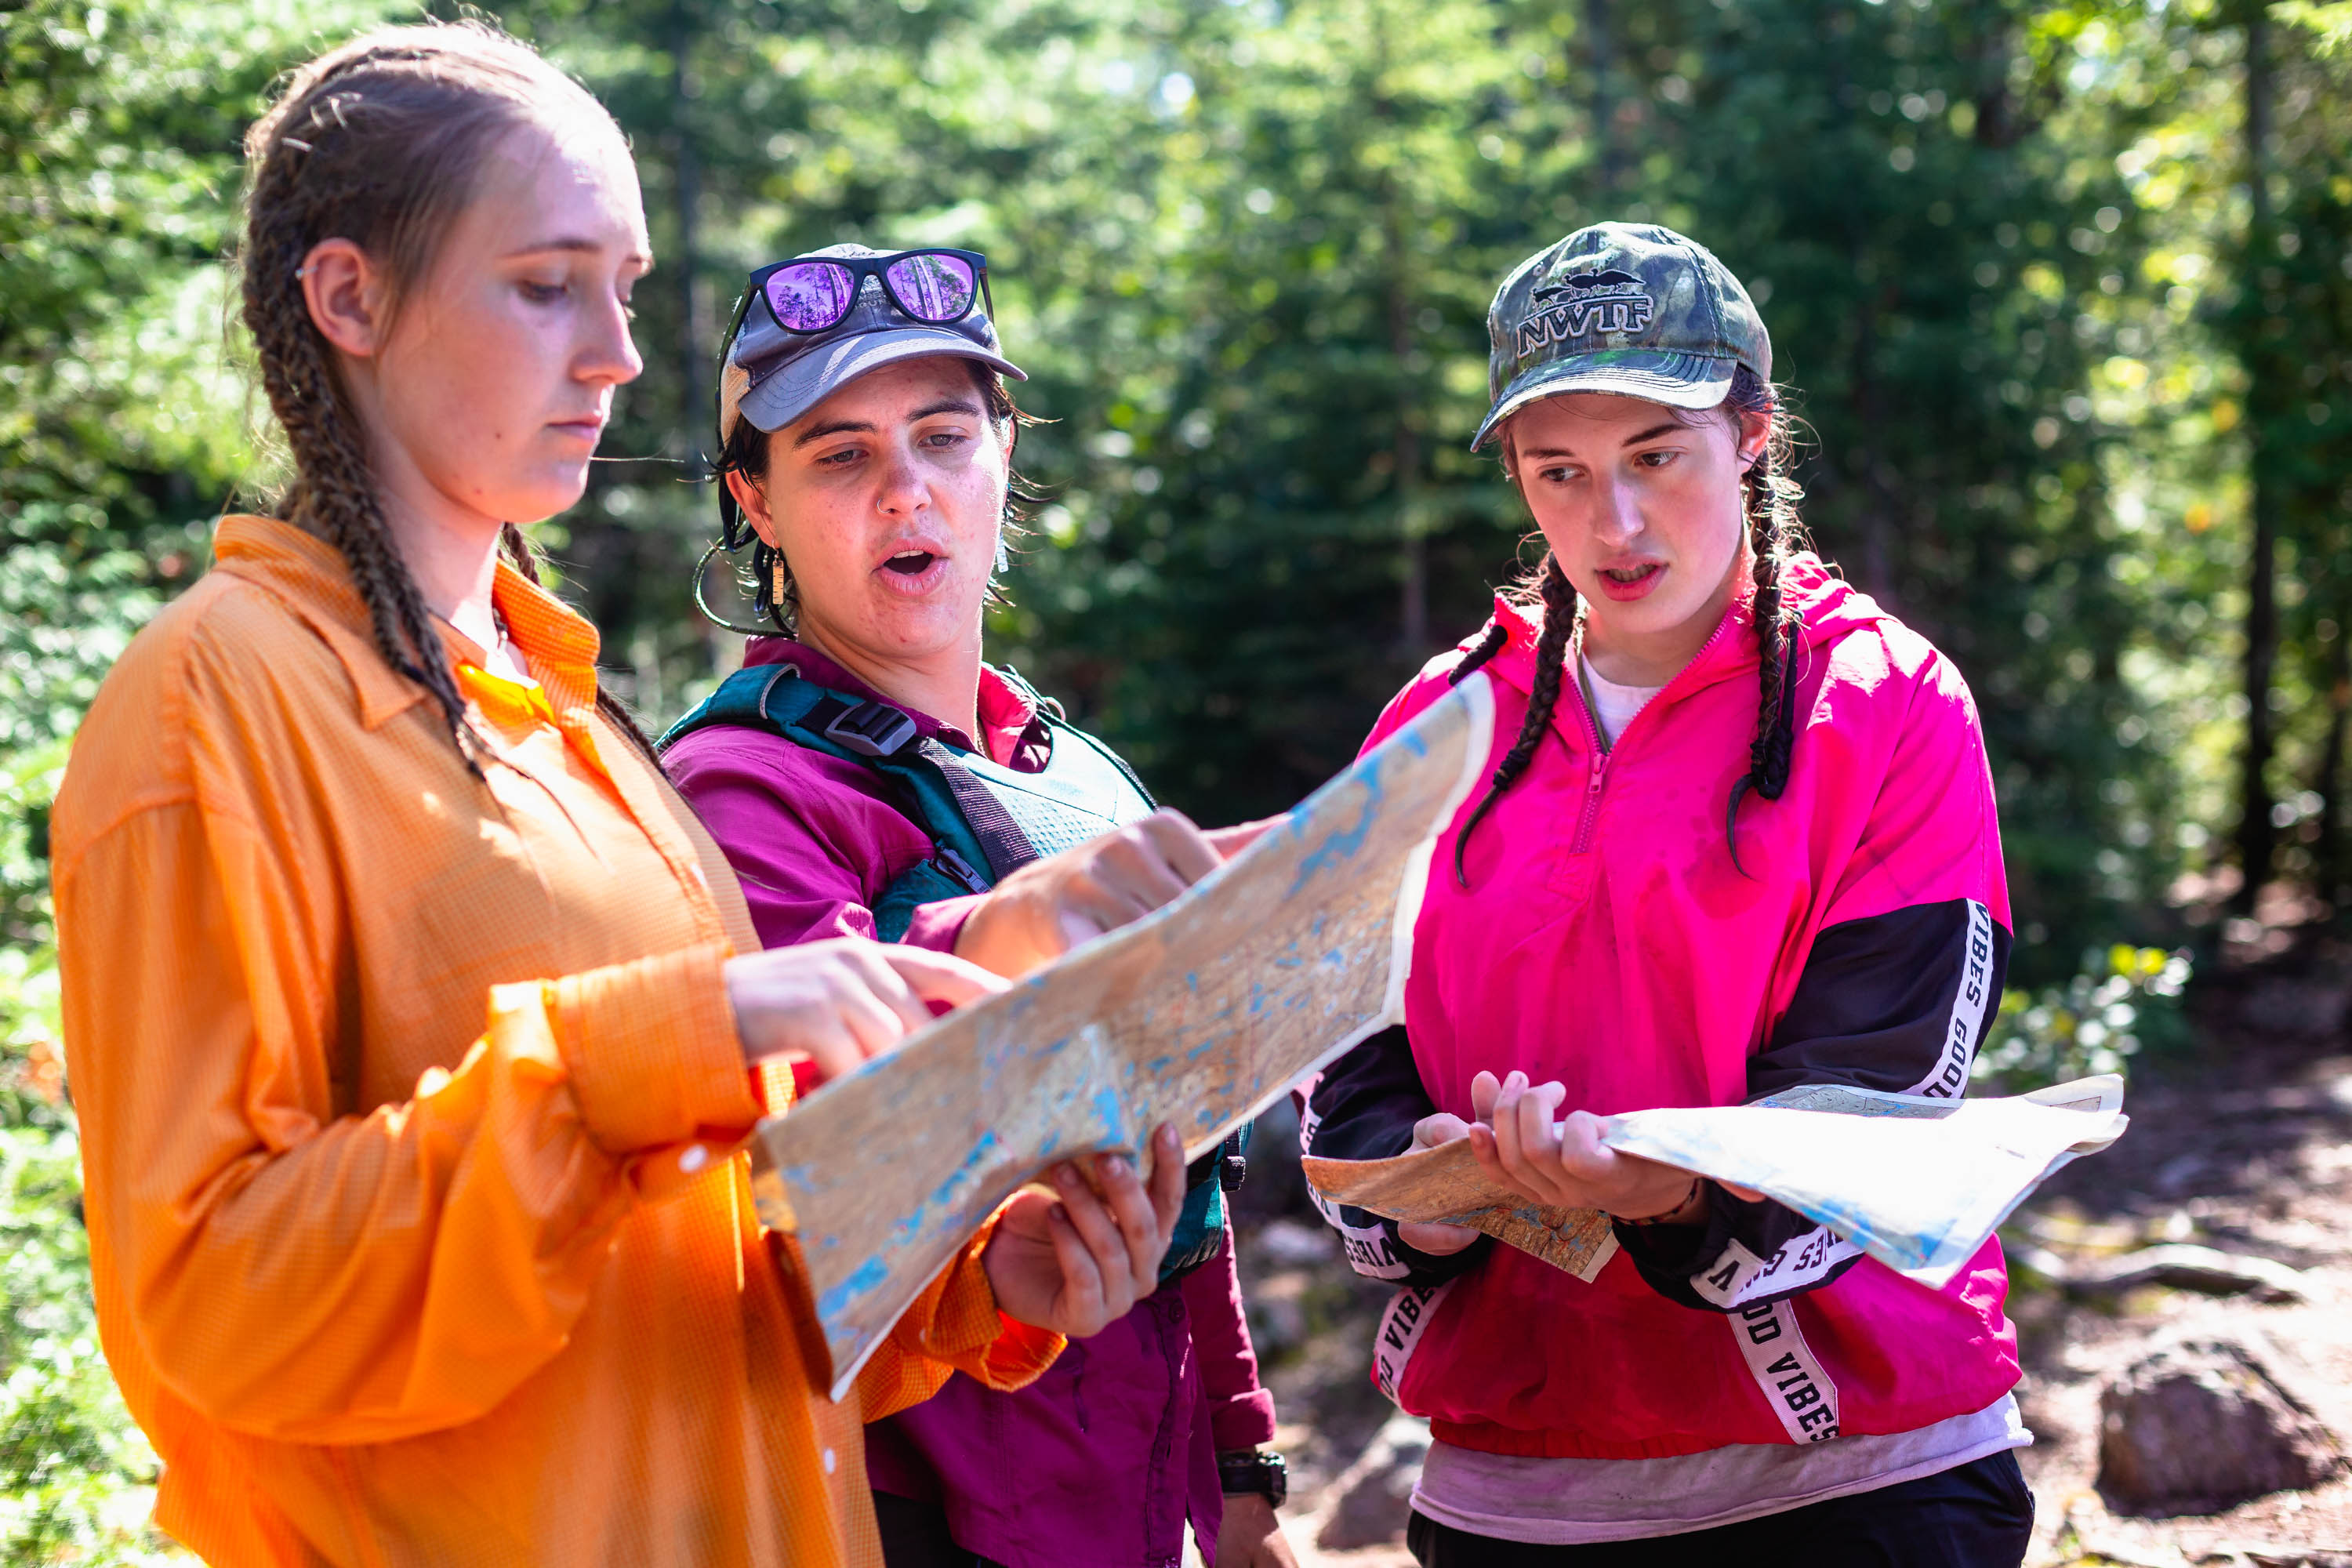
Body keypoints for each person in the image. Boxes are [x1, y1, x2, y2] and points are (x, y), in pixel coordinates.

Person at [50, 26, 1187, 1568]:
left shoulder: (573, 719)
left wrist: (977, 1286)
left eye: (627, 290)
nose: (617, 354)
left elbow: (699, 1259)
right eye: (545, 284)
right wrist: (661, 1044)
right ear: (349, 299)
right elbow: (210, 1301)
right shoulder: (212, 701)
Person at [1301, 223, 2035, 1565]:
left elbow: (1882, 1099)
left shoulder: (1886, 706)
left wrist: (1671, 1195)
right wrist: (1425, 1184)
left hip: (1853, 1473)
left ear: (1752, 433)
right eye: (1561, 472)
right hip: (1513, 1486)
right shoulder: (1437, 724)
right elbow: (1340, 1046)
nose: (1614, 522)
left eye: (1657, 457)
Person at [659, 245, 1297, 1568]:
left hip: (1140, 1495)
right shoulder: (740, 788)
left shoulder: (1073, 775)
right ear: (755, 504)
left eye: (946, 436)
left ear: (1005, 455)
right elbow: (814, 1159)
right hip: (906, 1517)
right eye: (839, 457)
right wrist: (1005, 940)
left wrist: (1243, 1473)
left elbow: (1192, 1162)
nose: (908, 490)